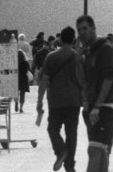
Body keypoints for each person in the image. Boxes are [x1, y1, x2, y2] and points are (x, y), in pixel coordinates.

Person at [37, 26, 83, 172]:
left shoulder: (51, 57)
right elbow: (83, 80)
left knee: (53, 129)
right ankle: (70, 166)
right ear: (73, 39)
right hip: (74, 101)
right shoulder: (78, 57)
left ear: (61, 39)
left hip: (56, 101)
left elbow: (44, 80)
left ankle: (61, 150)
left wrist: (39, 101)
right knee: (71, 133)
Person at [77, 15, 113, 172]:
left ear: (94, 28)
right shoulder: (89, 52)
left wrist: (97, 106)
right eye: (79, 30)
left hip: (104, 108)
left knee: (98, 151)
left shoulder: (105, 49)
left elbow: (109, 79)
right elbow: (82, 80)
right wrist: (78, 58)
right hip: (91, 108)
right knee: (100, 152)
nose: (82, 33)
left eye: (85, 29)